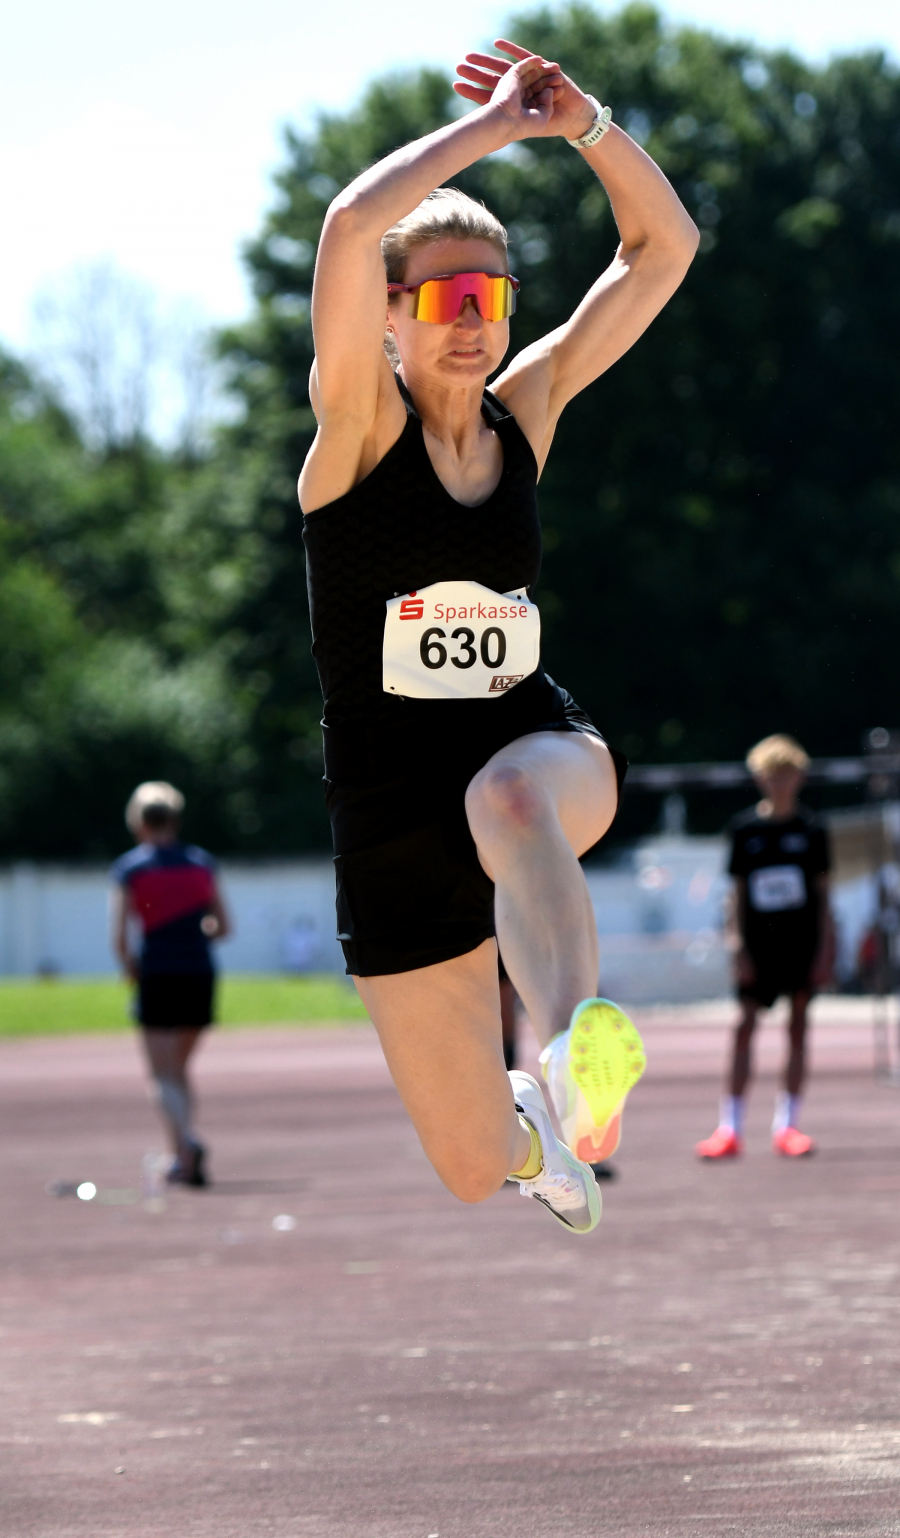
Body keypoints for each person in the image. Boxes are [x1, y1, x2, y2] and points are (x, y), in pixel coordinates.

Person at [299, 39, 698, 1233]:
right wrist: (497, 128)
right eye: (442, 296)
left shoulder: (527, 410)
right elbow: (347, 222)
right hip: (387, 814)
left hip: (528, 749)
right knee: (471, 1162)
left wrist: (587, 128)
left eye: (490, 295)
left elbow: (662, 251)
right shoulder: (357, 431)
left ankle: (578, 1047)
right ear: (389, 316)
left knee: (512, 801)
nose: (471, 320)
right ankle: (532, 1137)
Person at [696, 736, 834, 1161]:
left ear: (800, 778)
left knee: (798, 1026)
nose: (779, 784)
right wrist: (736, 944)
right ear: (759, 779)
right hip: (758, 945)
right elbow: (735, 894)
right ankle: (730, 1127)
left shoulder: (812, 831)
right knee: (744, 1026)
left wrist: (826, 949)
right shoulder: (744, 831)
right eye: (771, 776)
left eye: (787, 776)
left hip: (800, 943)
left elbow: (824, 896)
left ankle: (788, 1125)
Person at [110, 781, 231, 1187]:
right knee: (179, 1070)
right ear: (174, 819)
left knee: (161, 1075)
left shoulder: (131, 868)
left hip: (158, 972)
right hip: (199, 971)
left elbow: (121, 937)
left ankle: (186, 1143)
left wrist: (131, 969)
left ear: (138, 822)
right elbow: (223, 926)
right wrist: (196, 934)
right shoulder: (200, 863)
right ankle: (178, 1157)